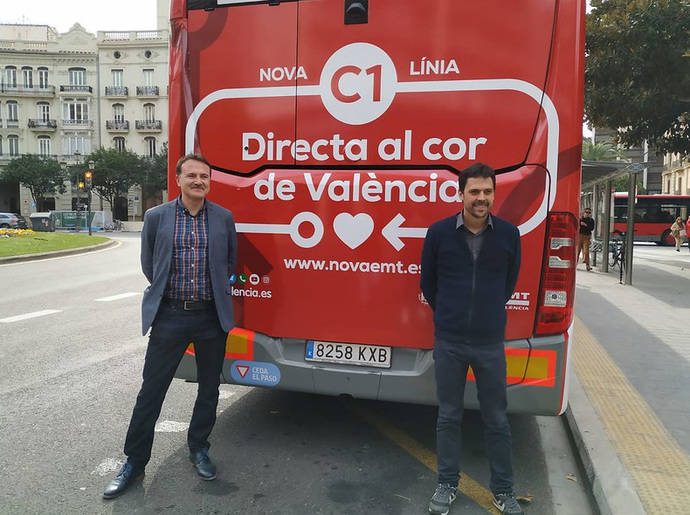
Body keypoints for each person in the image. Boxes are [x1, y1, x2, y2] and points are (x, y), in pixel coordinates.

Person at [103, 154, 238, 499]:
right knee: (152, 391)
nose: (198, 181)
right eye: (191, 175)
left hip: (211, 318)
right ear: (177, 180)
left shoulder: (223, 219)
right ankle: (134, 462)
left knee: (209, 389)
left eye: (204, 176)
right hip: (170, 316)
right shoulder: (156, 217)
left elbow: (229, 262)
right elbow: (151, 264)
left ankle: (199, 449)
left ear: (210, 181)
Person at [420, 163, 523, 515]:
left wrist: (486, 312)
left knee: (496, 418)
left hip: (489, 341)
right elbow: (428, 283)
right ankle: (447, 484)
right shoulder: (438, 233)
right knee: (448, 416)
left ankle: (504, 491)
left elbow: (509, 283)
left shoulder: (509, 234)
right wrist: (450, 313)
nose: (481, 198)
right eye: (474, 191)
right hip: (449, 340)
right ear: (461, 193)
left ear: (494, 193)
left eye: (487, 191)